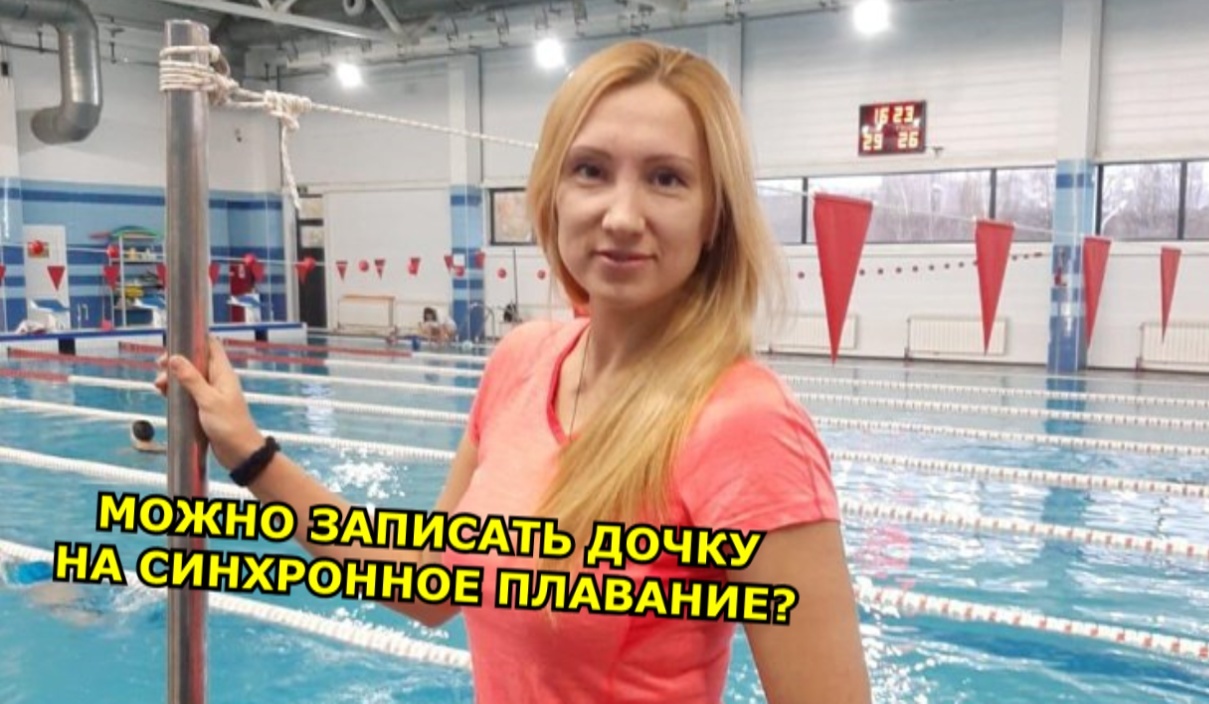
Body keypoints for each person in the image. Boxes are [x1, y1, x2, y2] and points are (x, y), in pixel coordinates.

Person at [155, 40, 871, 703]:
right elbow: (429, 586)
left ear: (714, 217)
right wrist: (248, 452)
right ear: (552, 192)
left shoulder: (744, 424)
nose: (622, 215)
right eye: (590, 170)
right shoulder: (523, 361)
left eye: (666, 179)